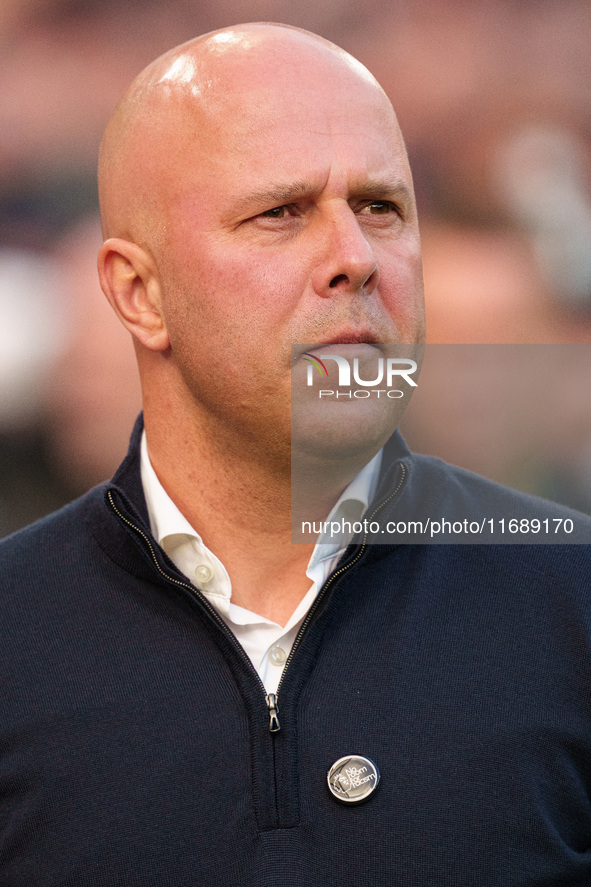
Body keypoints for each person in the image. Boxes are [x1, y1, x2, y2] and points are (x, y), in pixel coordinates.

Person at [1, 23, 591, 886]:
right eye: (279, 213)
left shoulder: (571, 601)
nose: (354, 257)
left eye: (381, 208)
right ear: (140, 292)